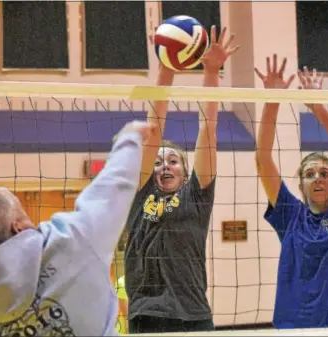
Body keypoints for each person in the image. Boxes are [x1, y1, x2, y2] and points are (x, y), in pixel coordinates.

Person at [0, 121, 155, 336]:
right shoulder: (72, 240)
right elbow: (113, 186)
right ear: (18, 227)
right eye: (23, 213)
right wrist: (130, 137)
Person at [124, 26, 238, 333]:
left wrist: (211, 72)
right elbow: (154, 127)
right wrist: (167, 70)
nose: (165, 166)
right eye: (159, 161)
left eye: (173, 161)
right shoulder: (140, 193)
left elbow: (207, 128)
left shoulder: (196, 196)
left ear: (185, 172)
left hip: (192, 314)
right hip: (146, 314)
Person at [255, 54, 328, 328]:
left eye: (324, 173)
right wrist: (273, 100)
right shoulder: (290, 214)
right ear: (302, 185)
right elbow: (262, 159)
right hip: (296, 326)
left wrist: (318, 108)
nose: (317, 178)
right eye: (309, 174)